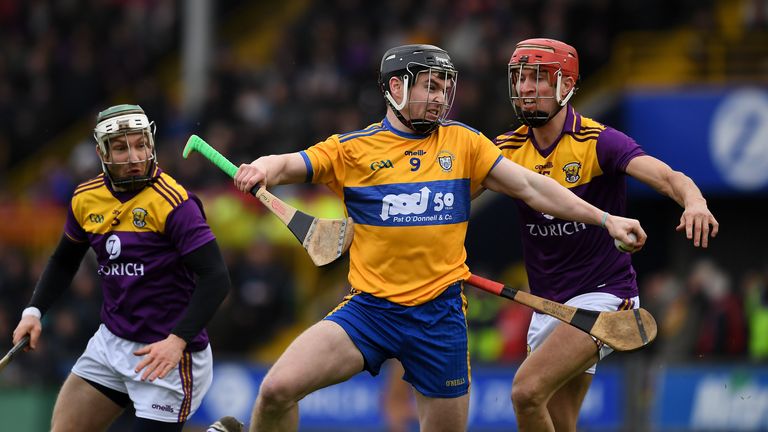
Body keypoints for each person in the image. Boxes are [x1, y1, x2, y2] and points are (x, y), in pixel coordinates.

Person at [227, 44, 644, 432]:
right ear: (396, 88)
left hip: (439, 320)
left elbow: (533, 187)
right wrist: (262, 168)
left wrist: (604, 218)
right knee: (276, 390)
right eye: (430, 86)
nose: (441, 97)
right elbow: (289, 163)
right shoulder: (353, 150)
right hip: (370, 312)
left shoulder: (464, 142)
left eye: (445, 87)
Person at [494, 38, 719, 431]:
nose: (526, 87)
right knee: (559, 420)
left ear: (567, 84)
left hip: (603, 297)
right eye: (521, 78)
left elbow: (668, 177)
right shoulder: (506, 150)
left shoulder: (598, 141)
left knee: (525, 392)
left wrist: (694, 201)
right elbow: (453, 195)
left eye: (538, 78)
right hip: (546, 304)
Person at [11, 104, 231, 432]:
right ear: (102, 153)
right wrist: (33, 312)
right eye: (121, 148)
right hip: (111, 343)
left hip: (167, 354)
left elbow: (217, 278)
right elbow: (64, 260)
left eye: (141, 145)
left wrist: (176, 341)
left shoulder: (175, 203)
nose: (134, 156)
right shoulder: (86, 198)